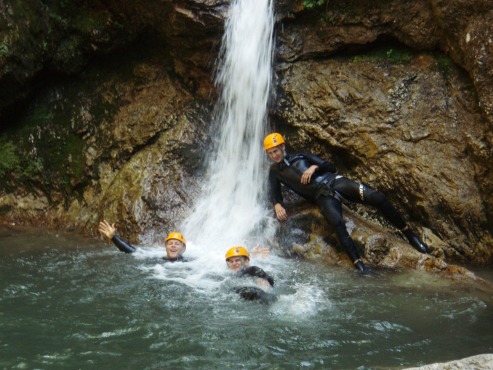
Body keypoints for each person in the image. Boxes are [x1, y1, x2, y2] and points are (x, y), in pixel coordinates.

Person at [263, 132, 431, 272]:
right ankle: (359, 264)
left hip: (334, 181)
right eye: (271, 153)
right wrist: (277, 204)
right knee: (337, 223)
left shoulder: (301, 155)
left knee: (376, 197)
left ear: (283, 147)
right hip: (321, 195)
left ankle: (409, 234)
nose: (274, 155)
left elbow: (330, 166)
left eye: (276, 151)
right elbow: (274, 193)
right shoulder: (275, 171)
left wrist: (314, 167)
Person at [98, 219, 188, 262]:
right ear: (166, 247)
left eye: (177, 244)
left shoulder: (189, 265)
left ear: (183, 249)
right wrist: (114, 237)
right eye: (170, 243)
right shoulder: (157, 260)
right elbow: (132, 251)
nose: (173, 245)